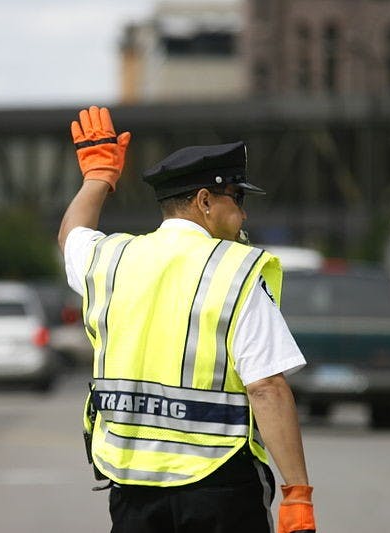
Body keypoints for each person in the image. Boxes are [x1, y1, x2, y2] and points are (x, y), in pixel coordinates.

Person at [58, 106, 316, 533]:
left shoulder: (110, 259)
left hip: (131, 487)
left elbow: (72, 238)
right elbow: (266, 387)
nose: (244, 214)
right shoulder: (234, 270)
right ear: (205, 201)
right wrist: (298, 493)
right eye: (239, 198)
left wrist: (97, 178)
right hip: (219, 489)